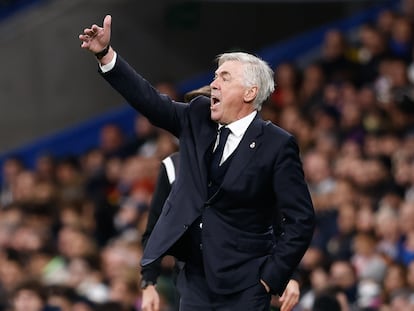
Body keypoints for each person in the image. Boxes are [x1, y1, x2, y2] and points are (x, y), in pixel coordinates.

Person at [79, 15, 315, 311]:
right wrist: (105, 54)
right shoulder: (198, 116)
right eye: (215, 76)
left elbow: (300, 219)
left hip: (246, 284)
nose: (213, 83)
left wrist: (274, 277)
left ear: (250, 92)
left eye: (224, 77)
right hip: (194, 281)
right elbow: (150, 101)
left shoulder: (277, 144)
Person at [141, 86, 302, 311]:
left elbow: (273, 219)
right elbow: (154, 228)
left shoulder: (249, 159)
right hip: (193, 279)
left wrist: (286, 274)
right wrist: (149, 282)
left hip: (242, 278)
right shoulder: (173, 167)